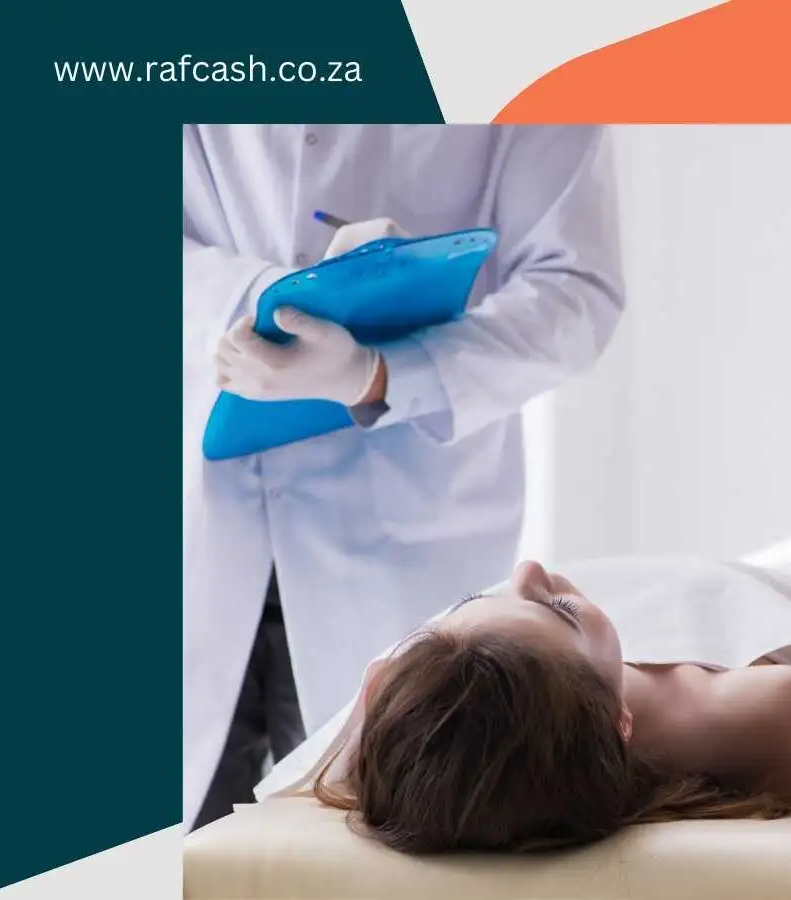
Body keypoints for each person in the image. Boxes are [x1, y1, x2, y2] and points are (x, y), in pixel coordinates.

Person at [182, 125, 625, 830]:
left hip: (405, 522)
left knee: (369, 843)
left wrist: (384, 374)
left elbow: (575, 290)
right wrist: (267, 298)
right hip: (196, 494)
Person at [261, 461, 791, 853]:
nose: (529, 569)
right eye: (562, 613)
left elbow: (332, 756)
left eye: (476, 600)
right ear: (618, 721)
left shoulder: (431, 717)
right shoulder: (769, 710)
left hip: (728, 587)